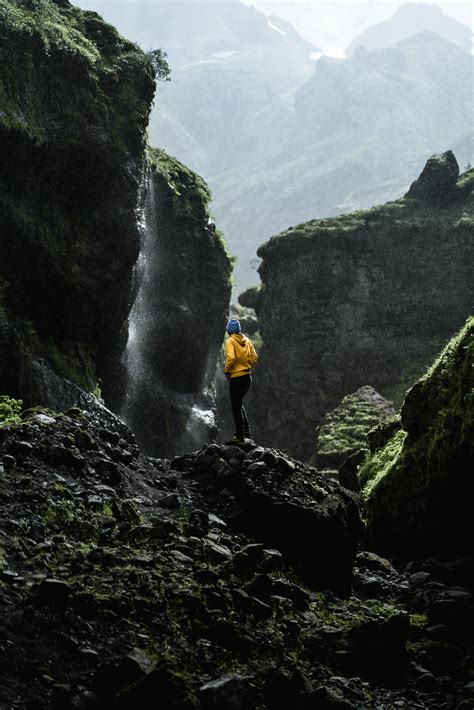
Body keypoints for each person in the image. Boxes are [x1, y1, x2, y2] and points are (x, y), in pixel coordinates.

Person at [224, 318, 258, 443]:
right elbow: (254, 357)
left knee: (235, 406)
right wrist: (247, 365)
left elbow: (231, 358)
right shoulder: (247, 340)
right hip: (247, 377)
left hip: (236, 377)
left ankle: (240, 435)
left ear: (229, 330)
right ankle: (246, 432)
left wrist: (228, 370)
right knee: (238, 404)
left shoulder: (230, 341)